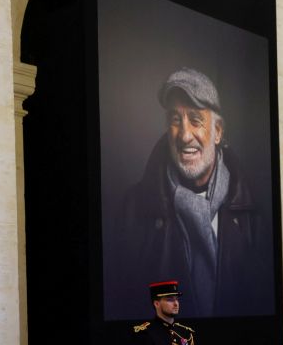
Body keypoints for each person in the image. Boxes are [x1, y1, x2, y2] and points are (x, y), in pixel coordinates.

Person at [115, 67, 270, 318]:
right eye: (176, 120)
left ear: (217, 132)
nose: (185, 135)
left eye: (196, 120)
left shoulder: (254, 210)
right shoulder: (132, 209)